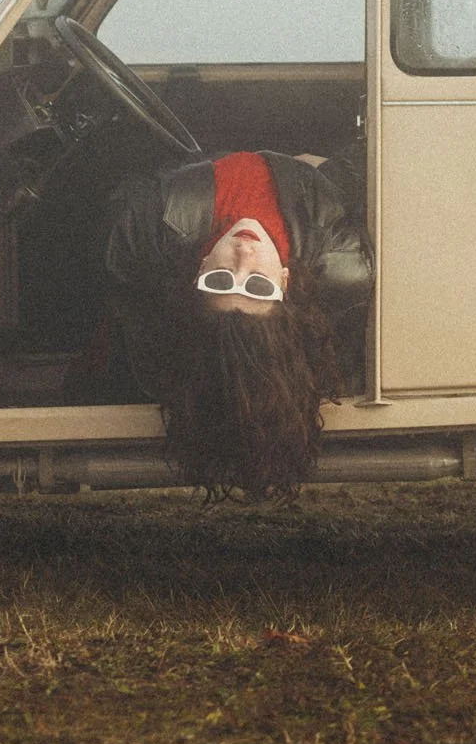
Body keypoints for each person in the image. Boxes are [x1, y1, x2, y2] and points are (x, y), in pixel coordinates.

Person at [96, 147, 372, 501]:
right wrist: (322, 168)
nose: (243, 255)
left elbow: (132, 182)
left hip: (183, 144)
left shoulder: (150, 227)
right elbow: (366, 170)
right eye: (258, 285)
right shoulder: (337, 255)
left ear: (200, 271)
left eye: (221, 280)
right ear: (285, 283)